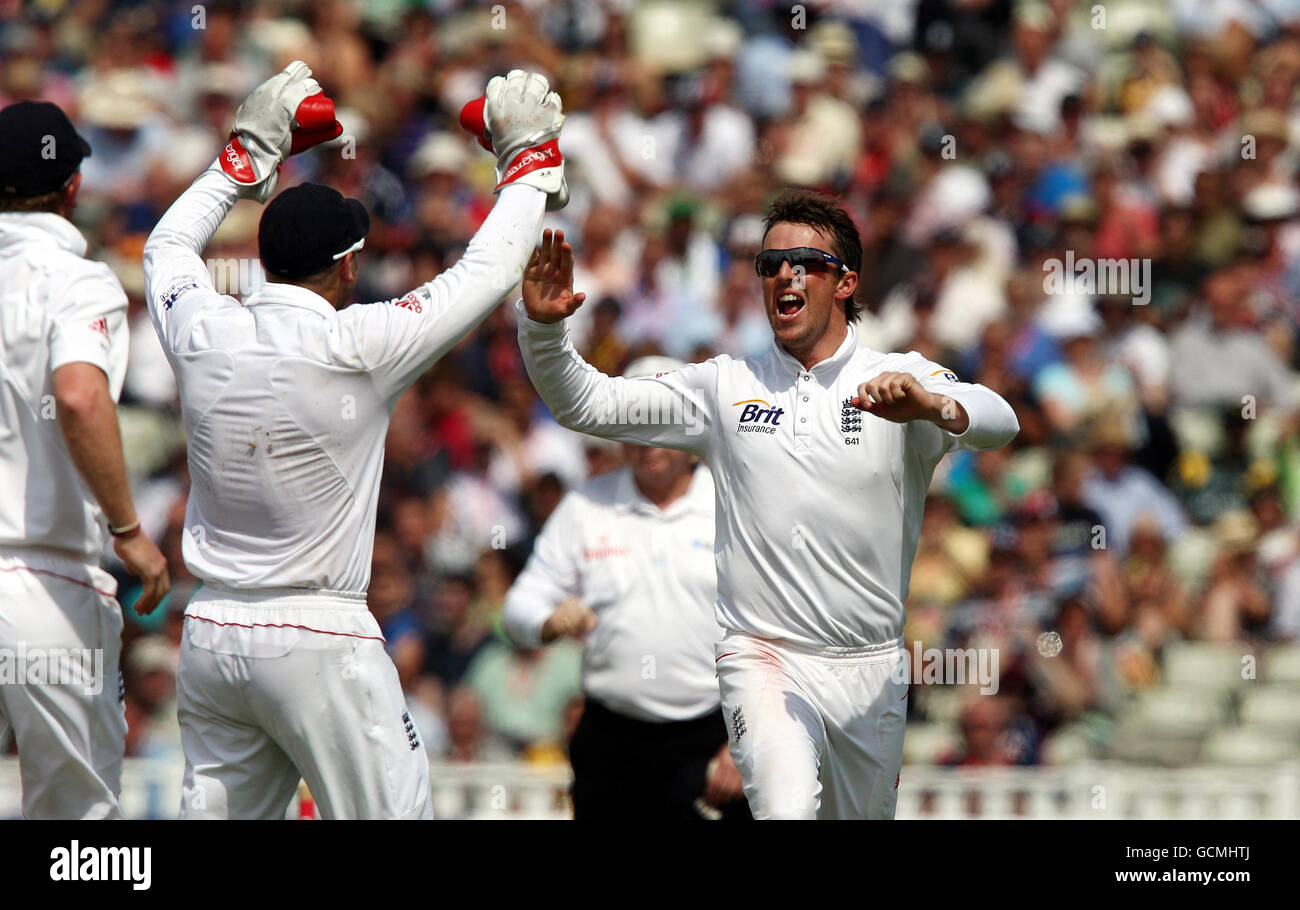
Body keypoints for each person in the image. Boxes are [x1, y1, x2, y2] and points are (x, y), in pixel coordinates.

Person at [141, 62, 566, 819]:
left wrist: (240, 159)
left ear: (265, 258)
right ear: (348, 266)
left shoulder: (201, 327)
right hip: (319, 634)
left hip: (211, 631)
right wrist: (527, 163)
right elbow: (490, 269)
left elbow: (166, 247)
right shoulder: (357, 343)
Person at [516, 189, 1019, 819]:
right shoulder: (726, 384)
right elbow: (588, 405)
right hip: (764, 656)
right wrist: (542, 329)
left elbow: (1002, 422)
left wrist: (932, 406)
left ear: (846, 282)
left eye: (806, 260)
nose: (785, 273)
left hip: (870, 666)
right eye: (770, 263)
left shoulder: (898, 376)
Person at [0, 100, 170, 818]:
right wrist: (130, 530)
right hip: (44, 580)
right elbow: (77, 396)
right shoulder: (78, 280)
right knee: (79, 828)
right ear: (72, 189)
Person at [502, 356, 750, 820]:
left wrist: (745, 743)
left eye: (660, 420)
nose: (646, 438)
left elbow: (774, 629)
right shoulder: (585, 506)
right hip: (610, 744)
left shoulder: (733, 502)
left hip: (713, 740)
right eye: (635, 420)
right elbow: (519, 605)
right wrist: (549, 621)